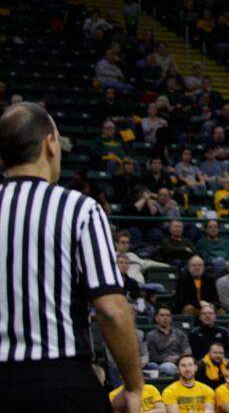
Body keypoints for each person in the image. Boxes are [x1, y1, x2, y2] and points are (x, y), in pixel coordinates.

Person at [0, 102, 143, 412]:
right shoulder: (80, 209)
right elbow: (111, 310)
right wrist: (133, 386)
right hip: (60, 381)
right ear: (50, 144)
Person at [146, 306, 192, 376]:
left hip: (181, 361)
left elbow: (187, 349)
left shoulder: (179, 333)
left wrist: (181, 358)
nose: (165, 318)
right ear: (156, 318)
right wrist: (166, 359)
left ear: (171, 318)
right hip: (162, 363)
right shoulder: (151, 335)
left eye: (168, 315)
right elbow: (152, 356)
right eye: (162, 315)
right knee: (169, 367)